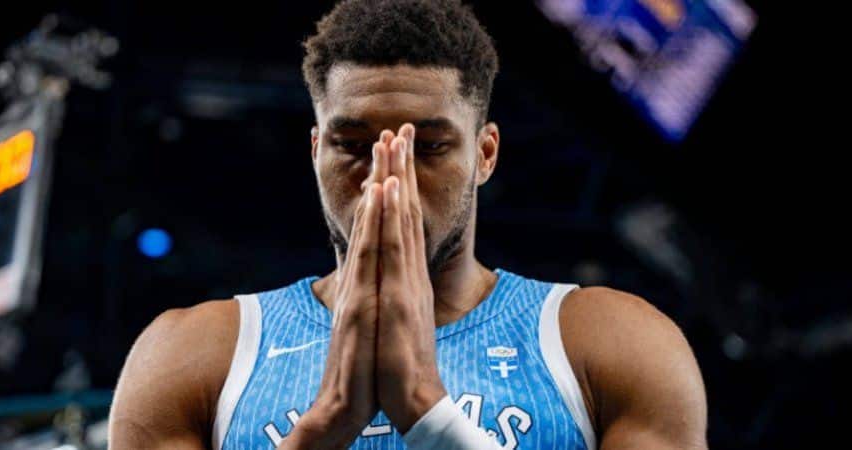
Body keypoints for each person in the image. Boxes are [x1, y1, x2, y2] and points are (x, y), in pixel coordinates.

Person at [108, 0, 707, 448]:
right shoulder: (195, 353)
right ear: (315, 151)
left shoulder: (608, 342)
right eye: (352, 145)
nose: (386, 178)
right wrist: (326, 423)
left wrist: (425, 408)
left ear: (485, 154)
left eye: (429, 147)